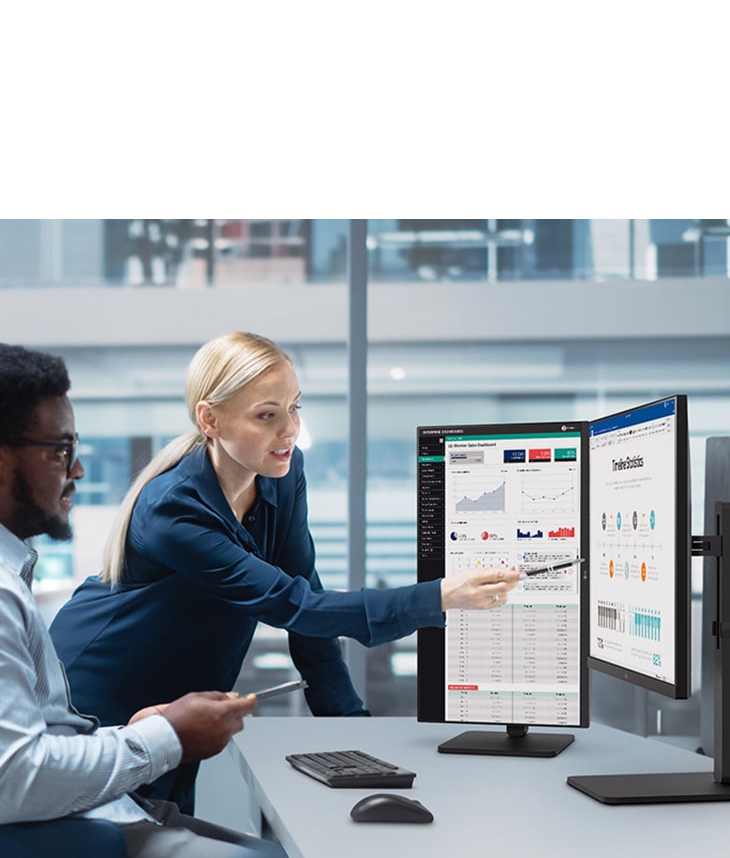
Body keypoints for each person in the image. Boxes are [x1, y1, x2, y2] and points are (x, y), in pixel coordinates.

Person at [50, 331, 520, 812]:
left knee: (166, 831)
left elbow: (307, 610)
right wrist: (437, 596)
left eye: (294, 408)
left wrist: (353, 735)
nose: (289, 430)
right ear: (209, 419)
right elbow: (292, 606)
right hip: (98, 696)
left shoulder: (282, 476)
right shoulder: (174, 508)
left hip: (175, 706)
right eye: (267, 415)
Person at [0, 342, 286, 858]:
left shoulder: (13, 572)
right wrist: (167, 738)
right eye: (60, 450)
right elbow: (14, 779)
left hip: (96, 808)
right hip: (70, 830)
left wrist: (138, 732)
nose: (78, 470)